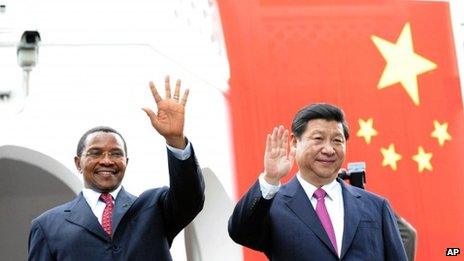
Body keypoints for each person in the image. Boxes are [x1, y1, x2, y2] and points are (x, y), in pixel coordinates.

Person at [28, 76, 205, 260]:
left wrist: (175, 140)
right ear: (78, 163)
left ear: (126, 162)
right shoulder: (47, 226)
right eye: (95, 153)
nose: (106, 161)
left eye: (116, 153)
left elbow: (190, 198)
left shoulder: (155, 208)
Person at [228, 103, 407, 261]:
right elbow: (240, 232)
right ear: (294, 142)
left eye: (337, 141)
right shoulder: (273, 205)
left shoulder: (376, 206)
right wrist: (270, 178)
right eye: (318, 139)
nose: (329, 149)